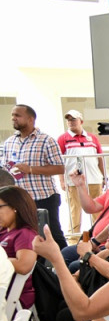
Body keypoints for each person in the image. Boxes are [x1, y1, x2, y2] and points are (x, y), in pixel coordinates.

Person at [1, 104, 66, 248]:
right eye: (12, 115)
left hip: (44, 197)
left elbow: (60, 167)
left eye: (17, 115)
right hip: (19, 200)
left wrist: (30, 169)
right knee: (26, 237)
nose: (13, 118)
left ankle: (66, 265)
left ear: (31, 119)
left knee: (52, 234)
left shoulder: (46, 140)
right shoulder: (9, 142)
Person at [58, 110, 105, 241]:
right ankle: (73, 241)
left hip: (94, 179)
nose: (71, 122)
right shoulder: (63, 138)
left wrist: (104, 176)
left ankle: (98, 237)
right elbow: (59, 161)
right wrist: (62, 181)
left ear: (81, 121)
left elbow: (100, 159)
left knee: (97, 210)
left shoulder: (92, 138)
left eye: (73, 119)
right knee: (75, 211)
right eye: (68, 120)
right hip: (73, 181)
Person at [0, 186, 38, 308]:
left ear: (15, 207)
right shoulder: (5, 231)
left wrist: (2, 261)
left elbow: (24, 266)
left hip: (12, 296)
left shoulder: (25, 234)